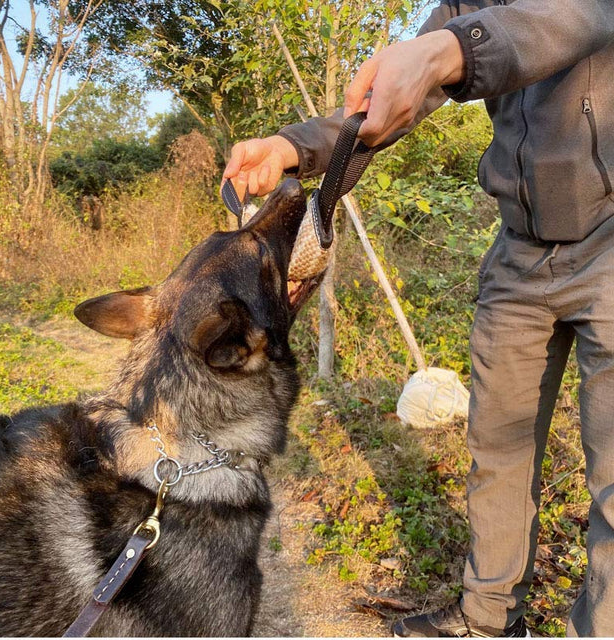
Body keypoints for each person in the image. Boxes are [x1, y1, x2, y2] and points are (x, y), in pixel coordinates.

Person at [222, 1, 614, 636]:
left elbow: (576, 18)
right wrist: (291, 147)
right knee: (497, 452)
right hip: (520, 252)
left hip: (610, 244)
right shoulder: (463, 7)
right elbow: (385, 104)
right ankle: (489, 619)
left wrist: (446, 51)